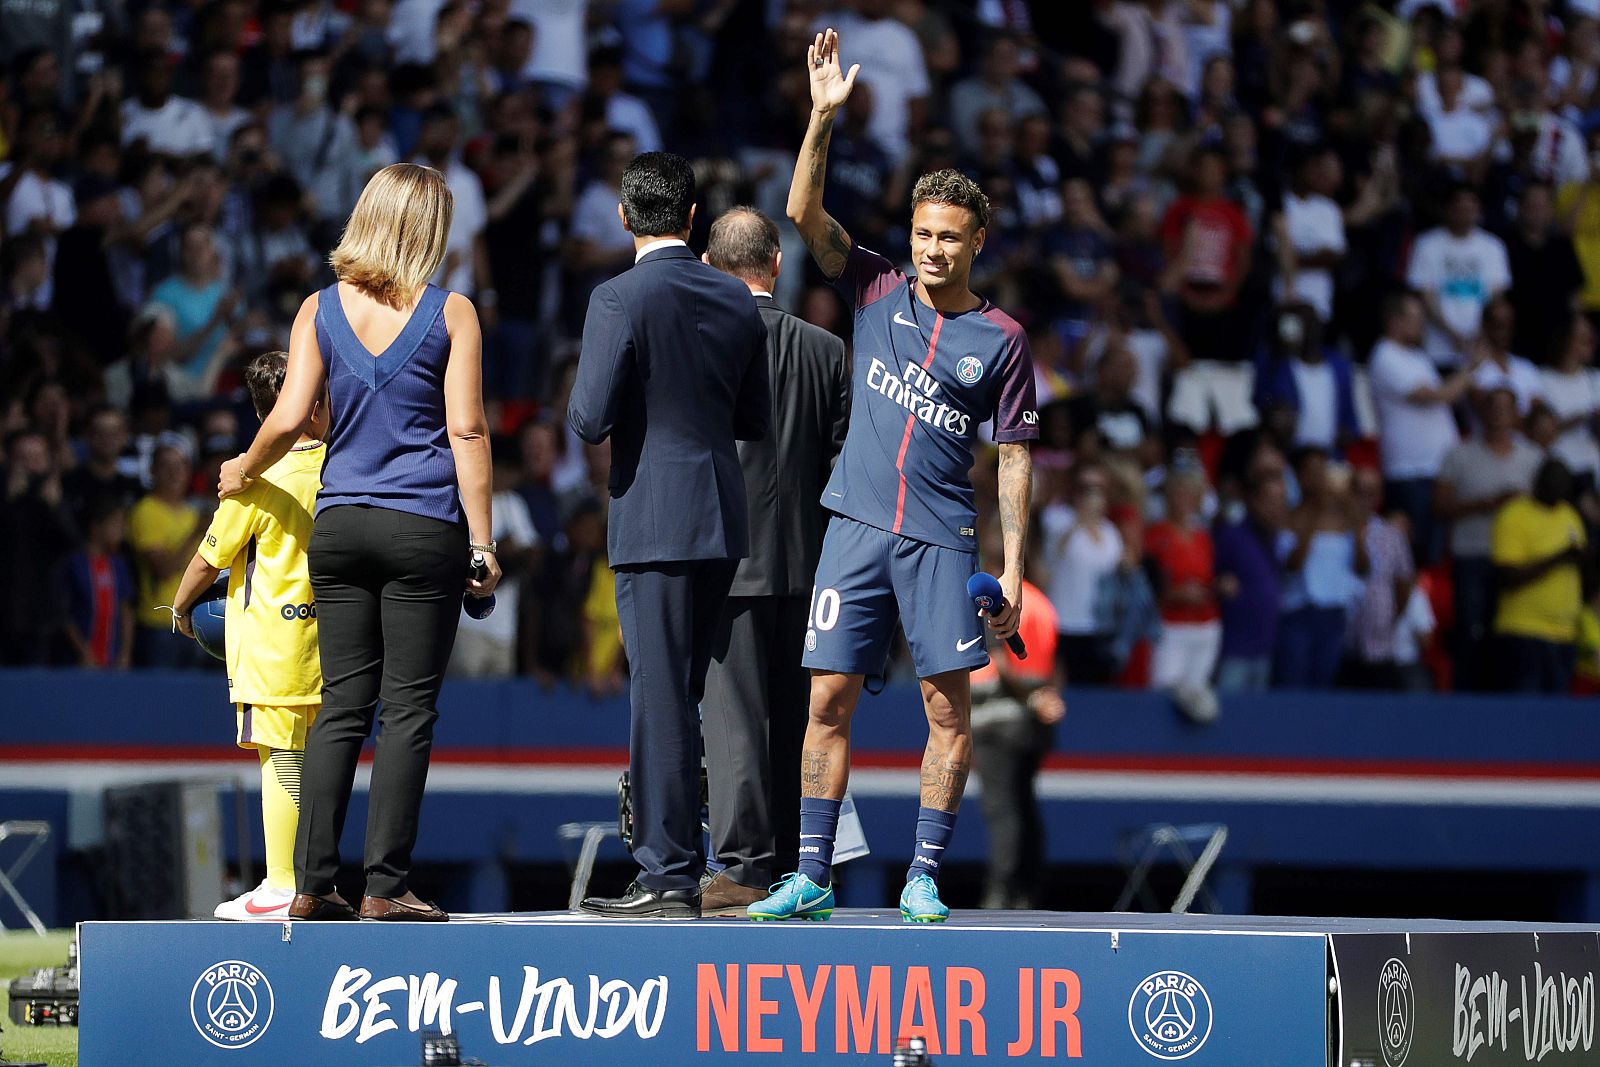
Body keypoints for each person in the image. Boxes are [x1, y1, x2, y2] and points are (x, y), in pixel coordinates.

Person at [749, 28, 1037, 925]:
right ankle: (809, 873)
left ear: (977, 241)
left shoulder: (1005, 341)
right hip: (856, 526)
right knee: (826, 697)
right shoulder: (874, 286)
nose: (932, 251)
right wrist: (821, 117)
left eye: (949, 238)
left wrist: (1016, 569)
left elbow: (1017, 456)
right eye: (922, 234)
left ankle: (923, 872)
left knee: (947, 711)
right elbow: (801, 211)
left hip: (945, 539)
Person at [219, 163, 501, 923]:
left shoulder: (316, 308)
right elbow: (467, 430)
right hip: (423, 528)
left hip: (338, 526)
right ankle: (385, 885)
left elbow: (286, 417)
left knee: (341, 704)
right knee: (407, 711)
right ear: (428, 230)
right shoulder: (453, 314)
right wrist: (483, 543)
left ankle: (310, 884)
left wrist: (241, 469)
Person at [569, 152, 771, 920]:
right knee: (681, 696)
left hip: (653, 516)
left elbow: (588, 418)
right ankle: (678, 860)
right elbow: (753, 420)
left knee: (658, 697)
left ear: (624, 217)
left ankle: (667, 872)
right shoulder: (733, 298)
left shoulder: (617, 297)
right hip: (719, 513)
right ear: (692, 218)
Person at [698, 207, 850, 917]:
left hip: (727, 561)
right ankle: (798, 864)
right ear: (778, 265)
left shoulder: (702, 345)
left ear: (708, 266)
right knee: (799, 721)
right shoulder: (827, 351)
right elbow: (848, 467)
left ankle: (741, 867)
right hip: (814, 568)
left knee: (734, 723)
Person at [170, 352, 327, 920]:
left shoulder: (255, 481)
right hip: (334, 644)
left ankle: (283, 884)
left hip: (272, 647)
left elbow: (210, 559)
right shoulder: (344, 466)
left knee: (280, 765)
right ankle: (314, 882)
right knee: (318, 766)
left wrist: (182, 609)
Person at [970, 524, 1063, 911]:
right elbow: (1057, 664)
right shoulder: (1042, 603)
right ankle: (1028, 891)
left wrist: (1031, 696)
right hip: (1035, 724)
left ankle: (1000, 894)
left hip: (996, 722)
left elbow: (1004, 664)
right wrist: (1045, 696)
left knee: (1002, 810)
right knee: (1026, 806)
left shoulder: (996, 601)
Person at [1435, 388, 1542, 691]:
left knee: (1509, 637)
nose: (1498, 414)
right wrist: (1484, 505)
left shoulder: (1532, 458)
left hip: (1516, 561)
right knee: (1471, 631)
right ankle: (1467, 702)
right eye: (1491, 407)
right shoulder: (1459, 453)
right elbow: (1439, 506)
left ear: (1516, 415)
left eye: (1505, 408)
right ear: (1480, 413)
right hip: (1471, 554)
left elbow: (1545, 511)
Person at [1492, 460, 1590, 693]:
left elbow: (1582, 565)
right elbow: (1507, 576)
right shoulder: (1515, 514)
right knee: (1524, 715)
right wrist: (1558, 558)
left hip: (1565, 634)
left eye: (1564, 485)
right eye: (1554, 484)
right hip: (1524, 632)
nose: (1559, 490)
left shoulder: (1569, 515)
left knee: (1557, 720)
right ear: (1539, 483)